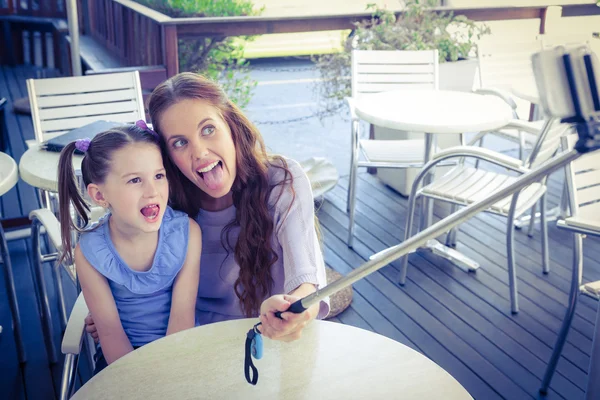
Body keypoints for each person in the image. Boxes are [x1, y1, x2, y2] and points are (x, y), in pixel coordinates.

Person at [147, 72, 330, 341]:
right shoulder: (164, 199)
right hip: (192, 340)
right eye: (180, 142)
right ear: (167, 155)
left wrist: (292, 311)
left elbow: (307, 284)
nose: (199, 152)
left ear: (231, 125)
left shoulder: (283, 179)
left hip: (268, 337)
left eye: (208, 129)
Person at [58, 124, 202, 373]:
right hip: (123, 362)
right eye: (135, 180)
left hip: (183, 350)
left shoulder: (187, 233)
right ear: (100, 195)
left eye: (159, 176)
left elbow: (183, 315)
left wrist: (170, 374)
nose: (152, 191)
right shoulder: (90, 253)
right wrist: (141, 384)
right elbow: (111, 333)